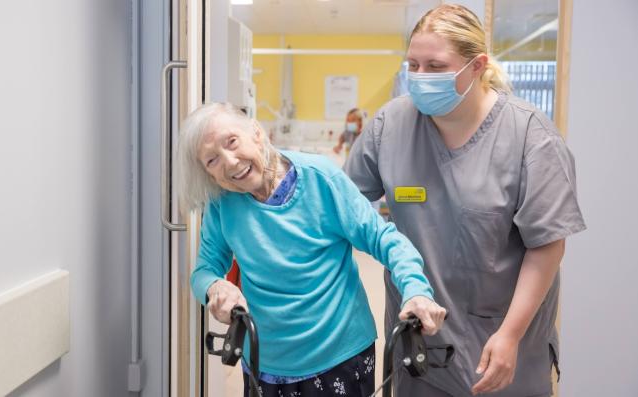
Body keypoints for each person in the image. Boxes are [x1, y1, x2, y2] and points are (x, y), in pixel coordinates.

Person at [344, 4, 585, 397]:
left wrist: (510, 336)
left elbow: (547, 246)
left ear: (477, 66)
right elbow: (339, 207)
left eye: (436, 66)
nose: (420, 78)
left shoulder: (531, 137)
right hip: (419, 346)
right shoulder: (390, 126)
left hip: (503, 347)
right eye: (413, 65)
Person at [177, 102, 447, 397]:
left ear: (256, 132)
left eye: (231, 142)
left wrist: (416, 289)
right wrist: (215, 286)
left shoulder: (321, 179)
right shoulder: (222, 204)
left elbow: (386, 240)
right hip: (266, 361)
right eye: (212, 160)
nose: (229, 162)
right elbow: (204, 269)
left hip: (341, 354)